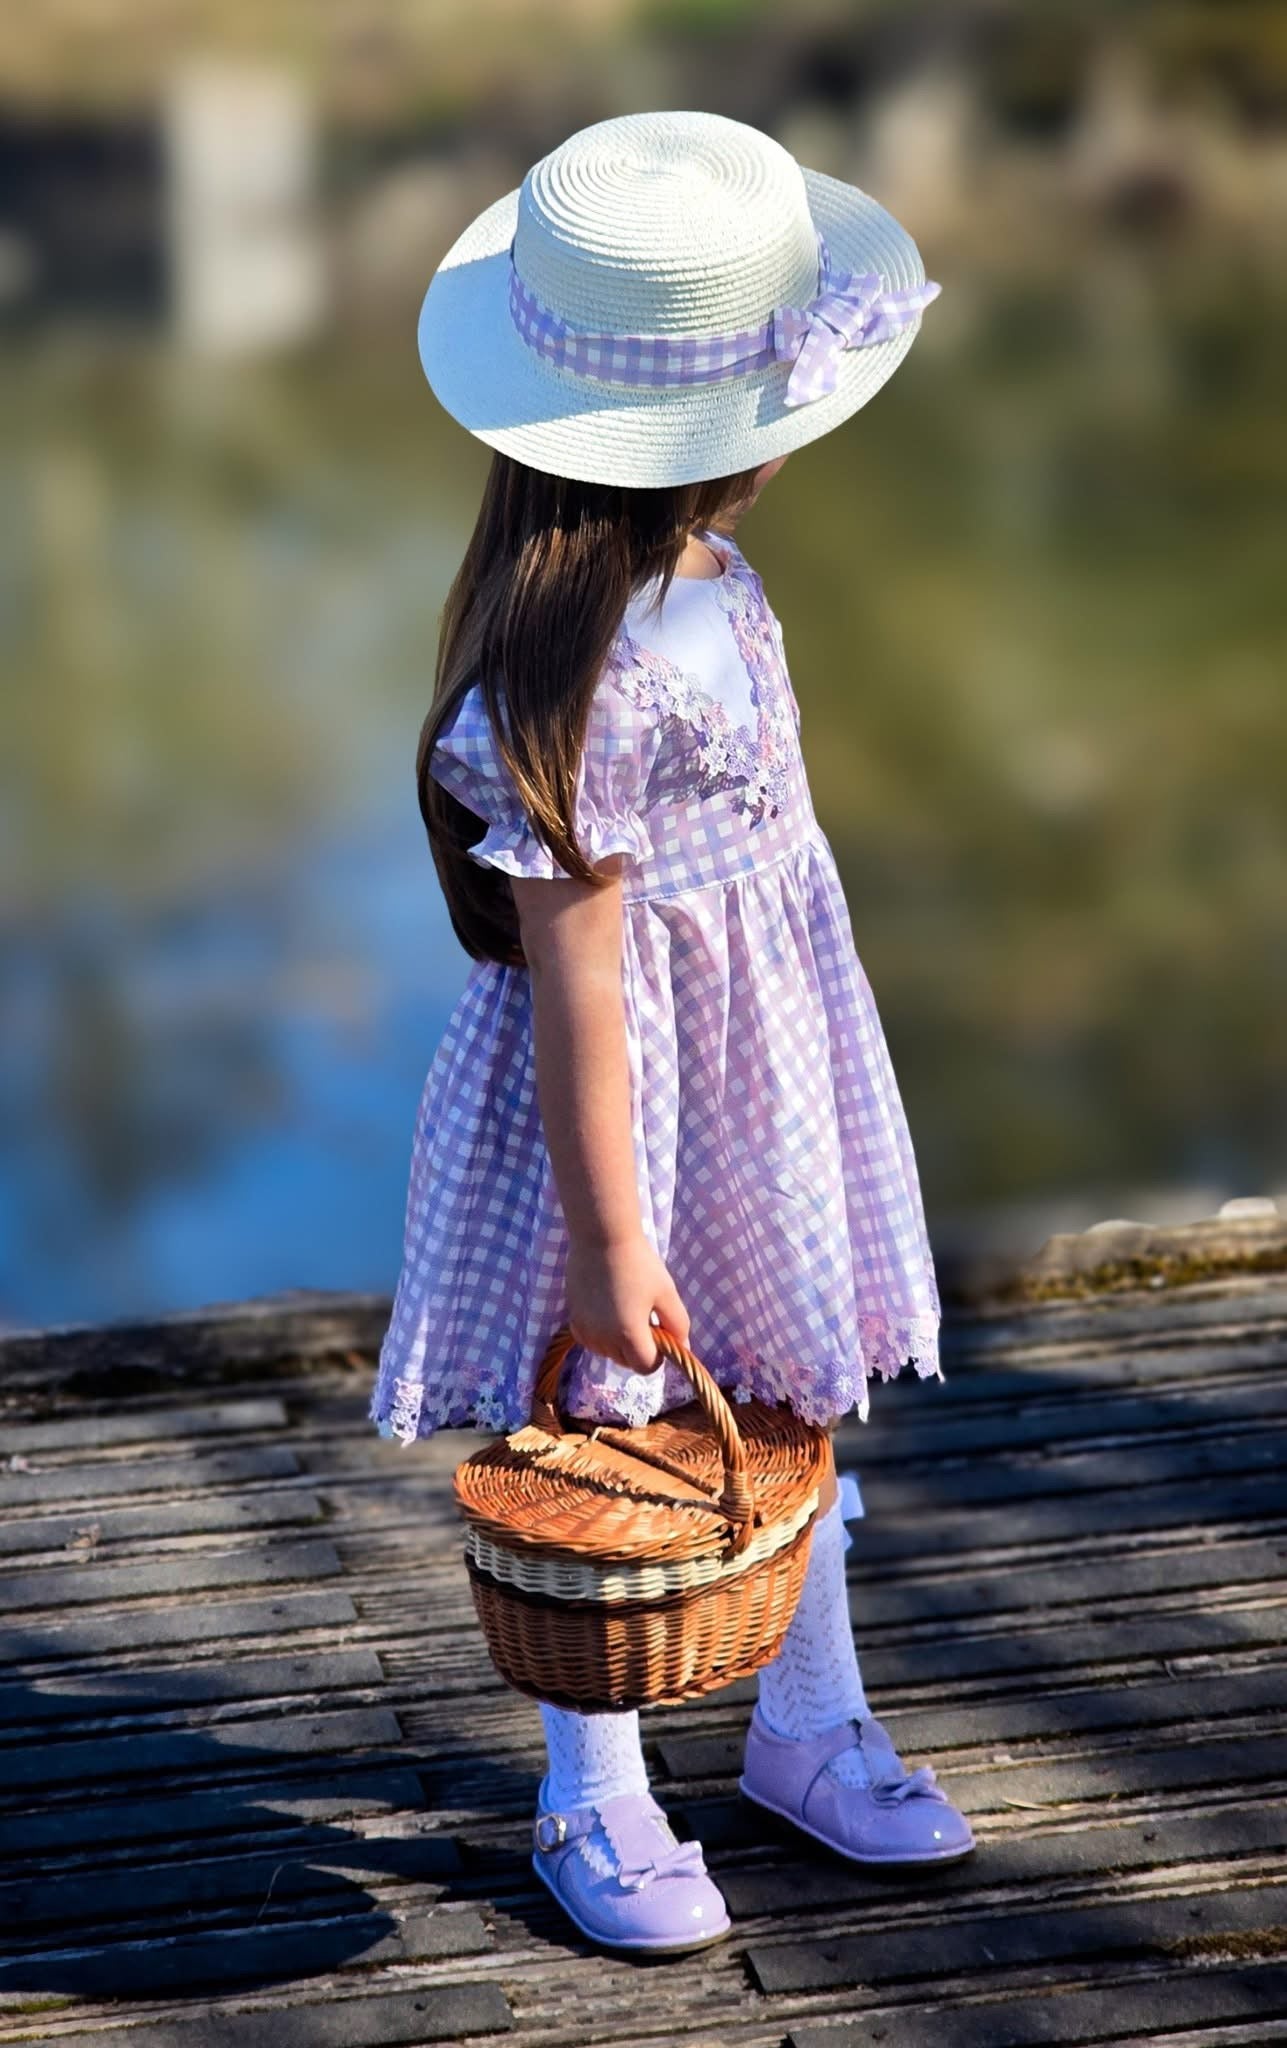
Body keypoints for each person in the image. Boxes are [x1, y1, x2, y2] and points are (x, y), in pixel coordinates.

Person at [368, 109, 975, 1956]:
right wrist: (612, 1244)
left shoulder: (715, 588)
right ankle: (595, 1790)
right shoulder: (565, 674)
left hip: (773, 1076)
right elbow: (582, 988)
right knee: (614, 1428)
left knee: (787, 1390)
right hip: (621, 1115)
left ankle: (806, 1722)